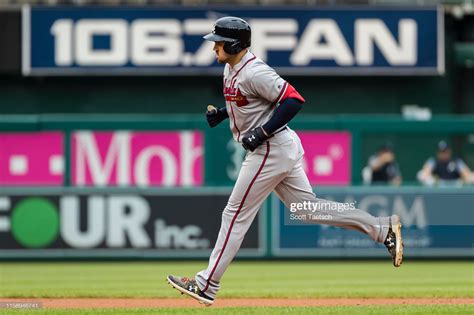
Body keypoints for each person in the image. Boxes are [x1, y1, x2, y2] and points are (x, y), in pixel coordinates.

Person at [166, 16, 404, 306]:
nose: (214, 47)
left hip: (270, 148)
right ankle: (381, 229)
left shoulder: (255, 71)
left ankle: (207, 284)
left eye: (219, 43)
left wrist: (263, 132)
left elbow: (293, 99)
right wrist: (224, 113)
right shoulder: (232, 69)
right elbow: (249, 102)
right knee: (307, 209)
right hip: (280, 147)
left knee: (234, 213)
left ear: (236, 44)